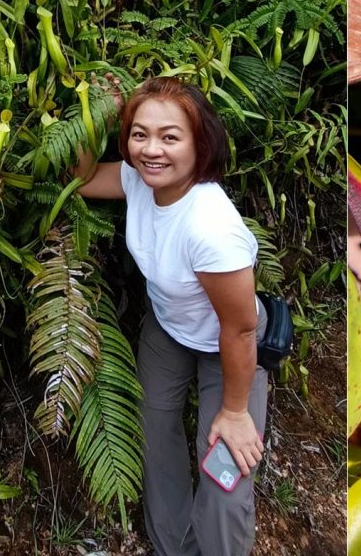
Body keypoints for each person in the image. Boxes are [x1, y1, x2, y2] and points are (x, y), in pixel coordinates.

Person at [73, 75, 267, 556]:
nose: (151, 150)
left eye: (169, 137)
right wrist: (95, 114)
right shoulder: (140, 180)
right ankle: (173, 547)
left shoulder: (210, 228)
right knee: (155, 437)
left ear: (199, 144)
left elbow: (239, 327)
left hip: (230, 345)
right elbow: (78, 178)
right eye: (139, 134)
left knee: (227, 468)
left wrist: (236, 411)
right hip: (168, 328)